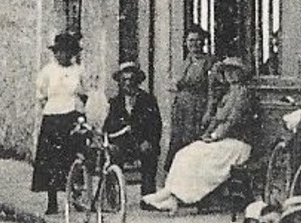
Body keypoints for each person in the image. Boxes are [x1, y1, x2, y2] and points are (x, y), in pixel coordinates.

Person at [140, 56, 258, 213]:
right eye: (227, 71)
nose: (229, 75)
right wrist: (208, 134)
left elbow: (232, 121)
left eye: (234, 71)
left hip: (237, 144)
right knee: (184, 153)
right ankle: (171, 196)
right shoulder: (229, 93)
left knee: (196, 157)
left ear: (241, 74)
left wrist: (214, 136)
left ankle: (173, 196)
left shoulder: (243, 93)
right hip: (223, 140)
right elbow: (217, 119)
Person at [30, 32, 87, 215]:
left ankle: (75, 197)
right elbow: (41, 95)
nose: (62, 55)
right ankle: (52, 201)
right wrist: (50, 107)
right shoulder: (47, 71)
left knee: (74, 158)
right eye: (59, 52)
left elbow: (85, 94)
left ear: (72, 53)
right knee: (51, 161)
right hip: (53, 118)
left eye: (66, 52)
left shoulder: (79, 71)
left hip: (73, 116)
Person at [101, 62, 163, 196]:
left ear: (137, 81)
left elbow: (156, 124)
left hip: (142, 141)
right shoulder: (116, 102)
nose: (128, 83)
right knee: (112, 155)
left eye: (131, 79)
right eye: (124, 80)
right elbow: (108, 126)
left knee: (149, 155)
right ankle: (113, 197)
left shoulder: (147, 99)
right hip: (122, 143)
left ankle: (148, 196)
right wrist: (111, 143)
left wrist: (148, 141)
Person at [167, 26, 212, 171]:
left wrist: (208, 112)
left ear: (203, 43)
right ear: (186, 42)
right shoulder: (186, 61)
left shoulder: (209, 62)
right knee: (178, 143)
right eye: (191, 40)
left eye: (198, 41)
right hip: (182, 109)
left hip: (198, 108)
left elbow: (212, 90)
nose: (194, 44)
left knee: (193, 144)